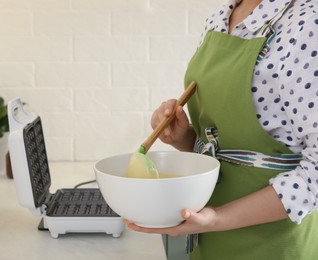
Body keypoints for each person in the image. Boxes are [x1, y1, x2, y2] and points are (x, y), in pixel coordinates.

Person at [124, 0, 318, 259]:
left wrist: (218, 218)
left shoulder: (307, 23)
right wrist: (185, 138)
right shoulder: (219, 17)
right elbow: (227, 146)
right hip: (206, 235)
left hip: (273, 243)